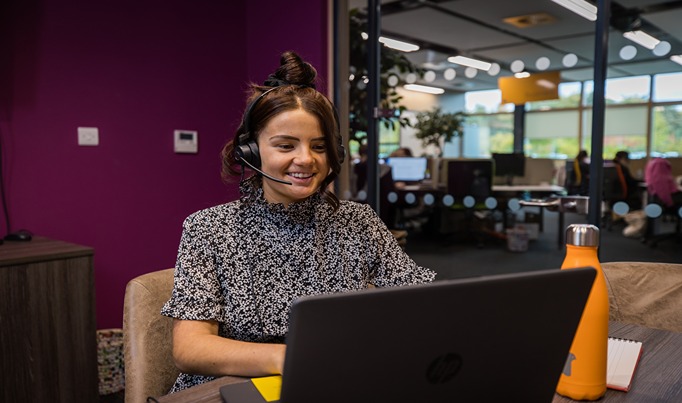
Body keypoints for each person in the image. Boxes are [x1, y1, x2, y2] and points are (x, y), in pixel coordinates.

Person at [160, 51, 435, 393]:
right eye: (286, 145)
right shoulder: (209, 228)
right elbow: (190, 349)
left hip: (332, 381)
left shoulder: (358, 221)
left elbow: (422, 300)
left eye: (319, 146)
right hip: (233, 388)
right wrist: (289, 358)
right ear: (251, 151)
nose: (305, 159)